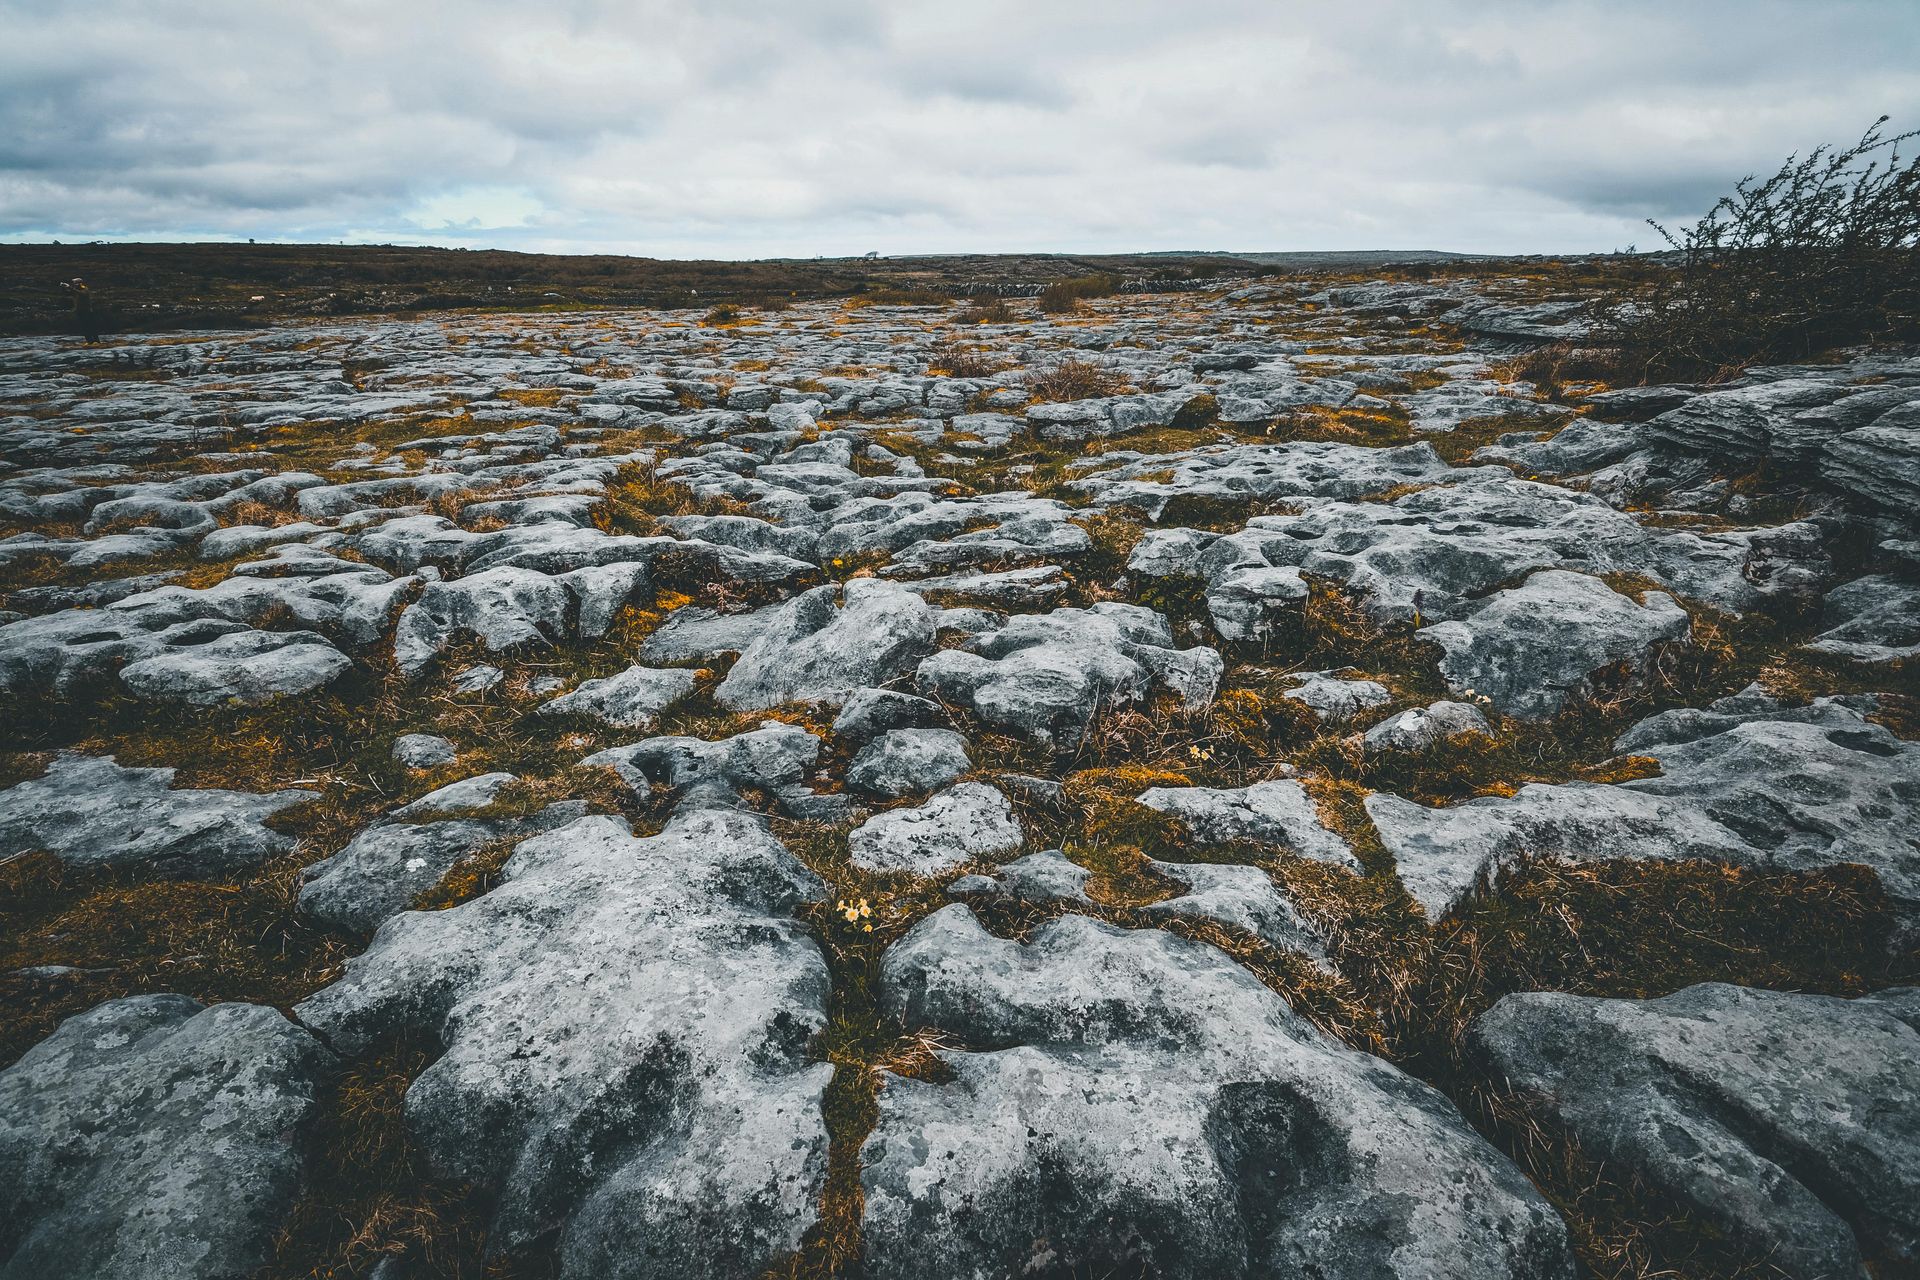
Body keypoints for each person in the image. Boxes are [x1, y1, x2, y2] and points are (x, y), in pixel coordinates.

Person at [66, 277, 101, 343]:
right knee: (84, 327)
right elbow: (69, 293)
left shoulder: (85, 289)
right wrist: (65, 287)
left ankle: (96, 341)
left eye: (75, 283)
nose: (74, 285)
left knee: (90, 326)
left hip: (87, 311)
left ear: (79, 283)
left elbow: (82, 294)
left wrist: (70, 287)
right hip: (80, 311)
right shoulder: (75, 290)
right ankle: (89, 341)